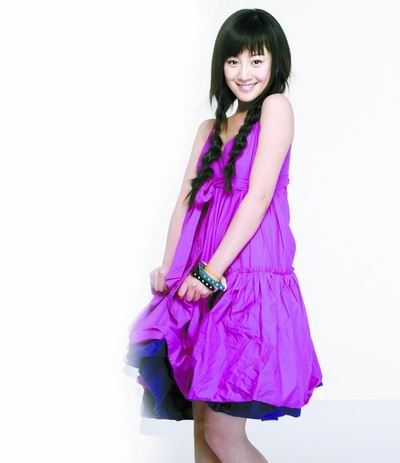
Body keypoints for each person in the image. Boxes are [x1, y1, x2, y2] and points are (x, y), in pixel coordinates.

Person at [125, 8, 323, 463]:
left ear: (276, 62)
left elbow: (258, 196)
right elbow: (184, 202)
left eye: (256, 59)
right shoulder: (208, 130)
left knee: (221, 432)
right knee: (201, 428)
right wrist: (169, 265)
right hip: (200, 285)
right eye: (233, 61)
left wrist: (211, 272)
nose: (244, 72)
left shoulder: (276, 108)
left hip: (242, 283)